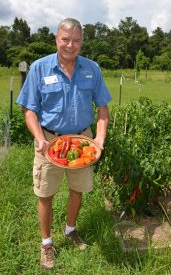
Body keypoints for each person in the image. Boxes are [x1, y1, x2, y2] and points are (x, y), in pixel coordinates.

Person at [17, 18, 112, 270]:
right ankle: (46, 243)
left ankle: (70, 230)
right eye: (65, 39)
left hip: (83, 141)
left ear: (82, 42)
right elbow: (29, 110)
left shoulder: (92, 69)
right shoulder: (39, 68)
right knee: (45, 193)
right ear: (56, 39)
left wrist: (99, 139)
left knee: (77, 189)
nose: (71, 45)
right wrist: (39, 138)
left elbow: (103, 109)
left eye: (76, 40)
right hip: (50, 141)